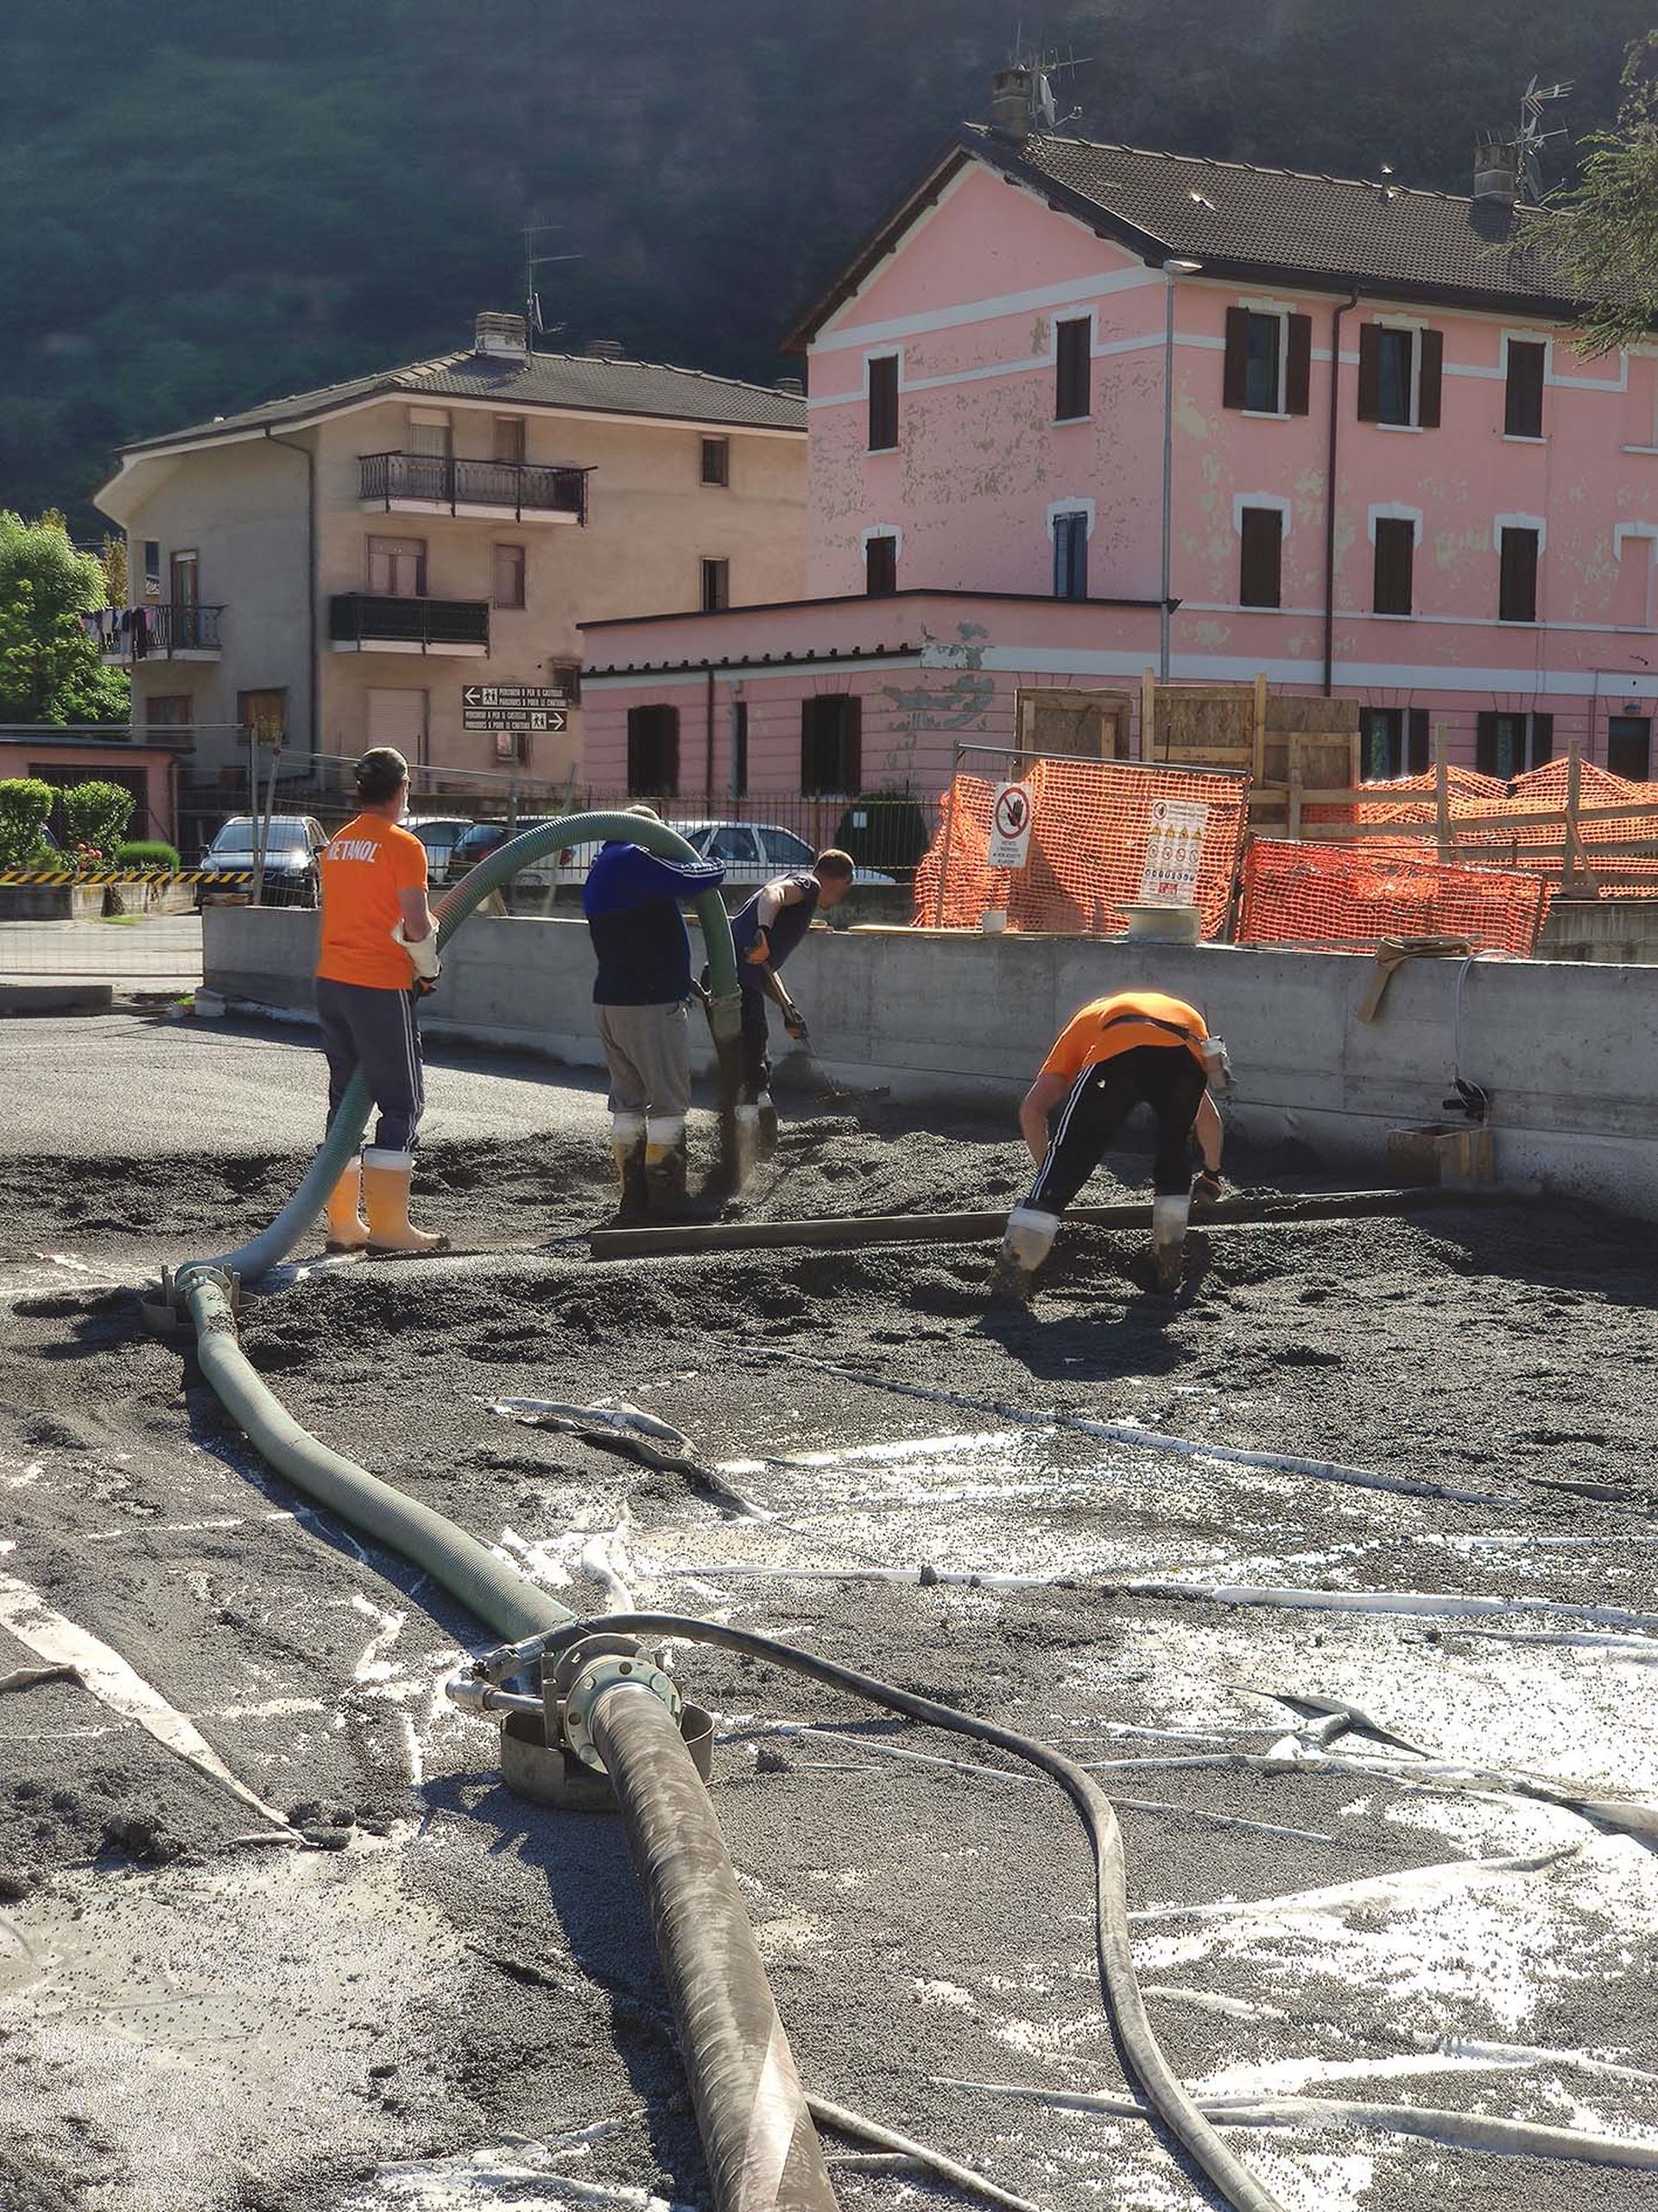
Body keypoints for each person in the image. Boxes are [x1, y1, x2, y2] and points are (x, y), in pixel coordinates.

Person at [994, 988, 1231, 1302]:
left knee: (1070, 1153)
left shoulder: (1086, 1021)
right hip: (1185, 1053)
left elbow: (1032, 1110)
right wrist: (1212, 1175)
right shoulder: (1179, 1020)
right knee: (1174, 1154)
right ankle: (1168, 1260)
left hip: (1119, 1053)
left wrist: (1050, 1174)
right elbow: (1209, 1119)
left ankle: (1013, 1274)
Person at [314, 747, 446, 1254]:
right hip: (378, 984)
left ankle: (343, 1225)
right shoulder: (403, 845)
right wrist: (428, 969)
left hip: (332, 981)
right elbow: (415, 924)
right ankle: (390, 1228)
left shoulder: (338, 844)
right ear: (402, 787)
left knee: (345, 1103)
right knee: (402, 1102)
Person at [582, 805, 726, 1220]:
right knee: (668, 1102)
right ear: (649, 833)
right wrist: (715, 861)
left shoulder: (602, 867)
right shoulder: (633, 859)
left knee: (627, 1102)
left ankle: (633, 1198)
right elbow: (696, 878)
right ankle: (666, 1198)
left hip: (611, 1000)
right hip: (649, 1003)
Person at [728, 848, 856, 1151]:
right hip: (737, 984)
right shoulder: (809, 885)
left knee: (755, 1062)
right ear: (838, 880)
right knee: (753, 1067)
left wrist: (789, 1009)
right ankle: (746, 1148)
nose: (840, 898)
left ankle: (758, 1142)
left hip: (735, 980)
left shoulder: (798, 891)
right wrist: (762, 932)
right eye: (844, 890)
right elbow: (772, 894)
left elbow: (764, 970)